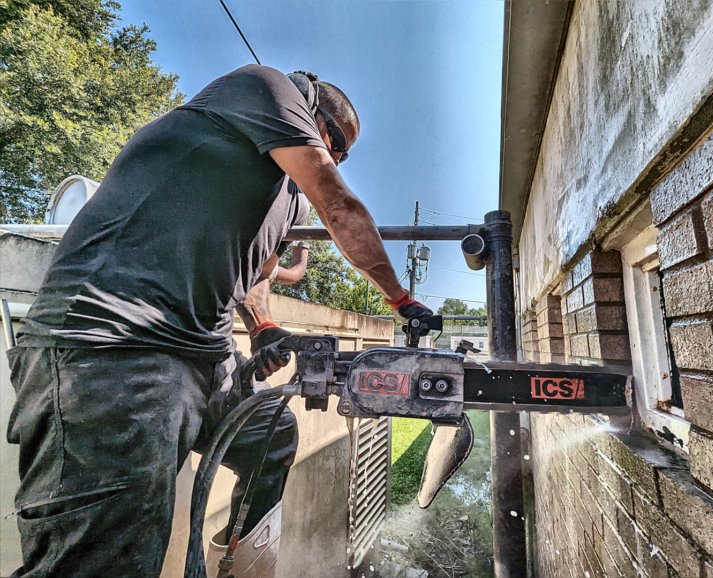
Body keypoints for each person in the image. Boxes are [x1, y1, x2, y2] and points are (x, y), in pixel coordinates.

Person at [6, 64, 432, 578]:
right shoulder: (265, 88)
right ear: (311, 110)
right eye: (337, 143)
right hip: (112, 345)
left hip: (200, 353)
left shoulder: (276, 193)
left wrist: (263, 326)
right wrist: (400, 298)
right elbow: (340, 208)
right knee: (108, 559)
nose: (339, 158)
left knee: (269, 437)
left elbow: (255, 271)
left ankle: (238, 565)